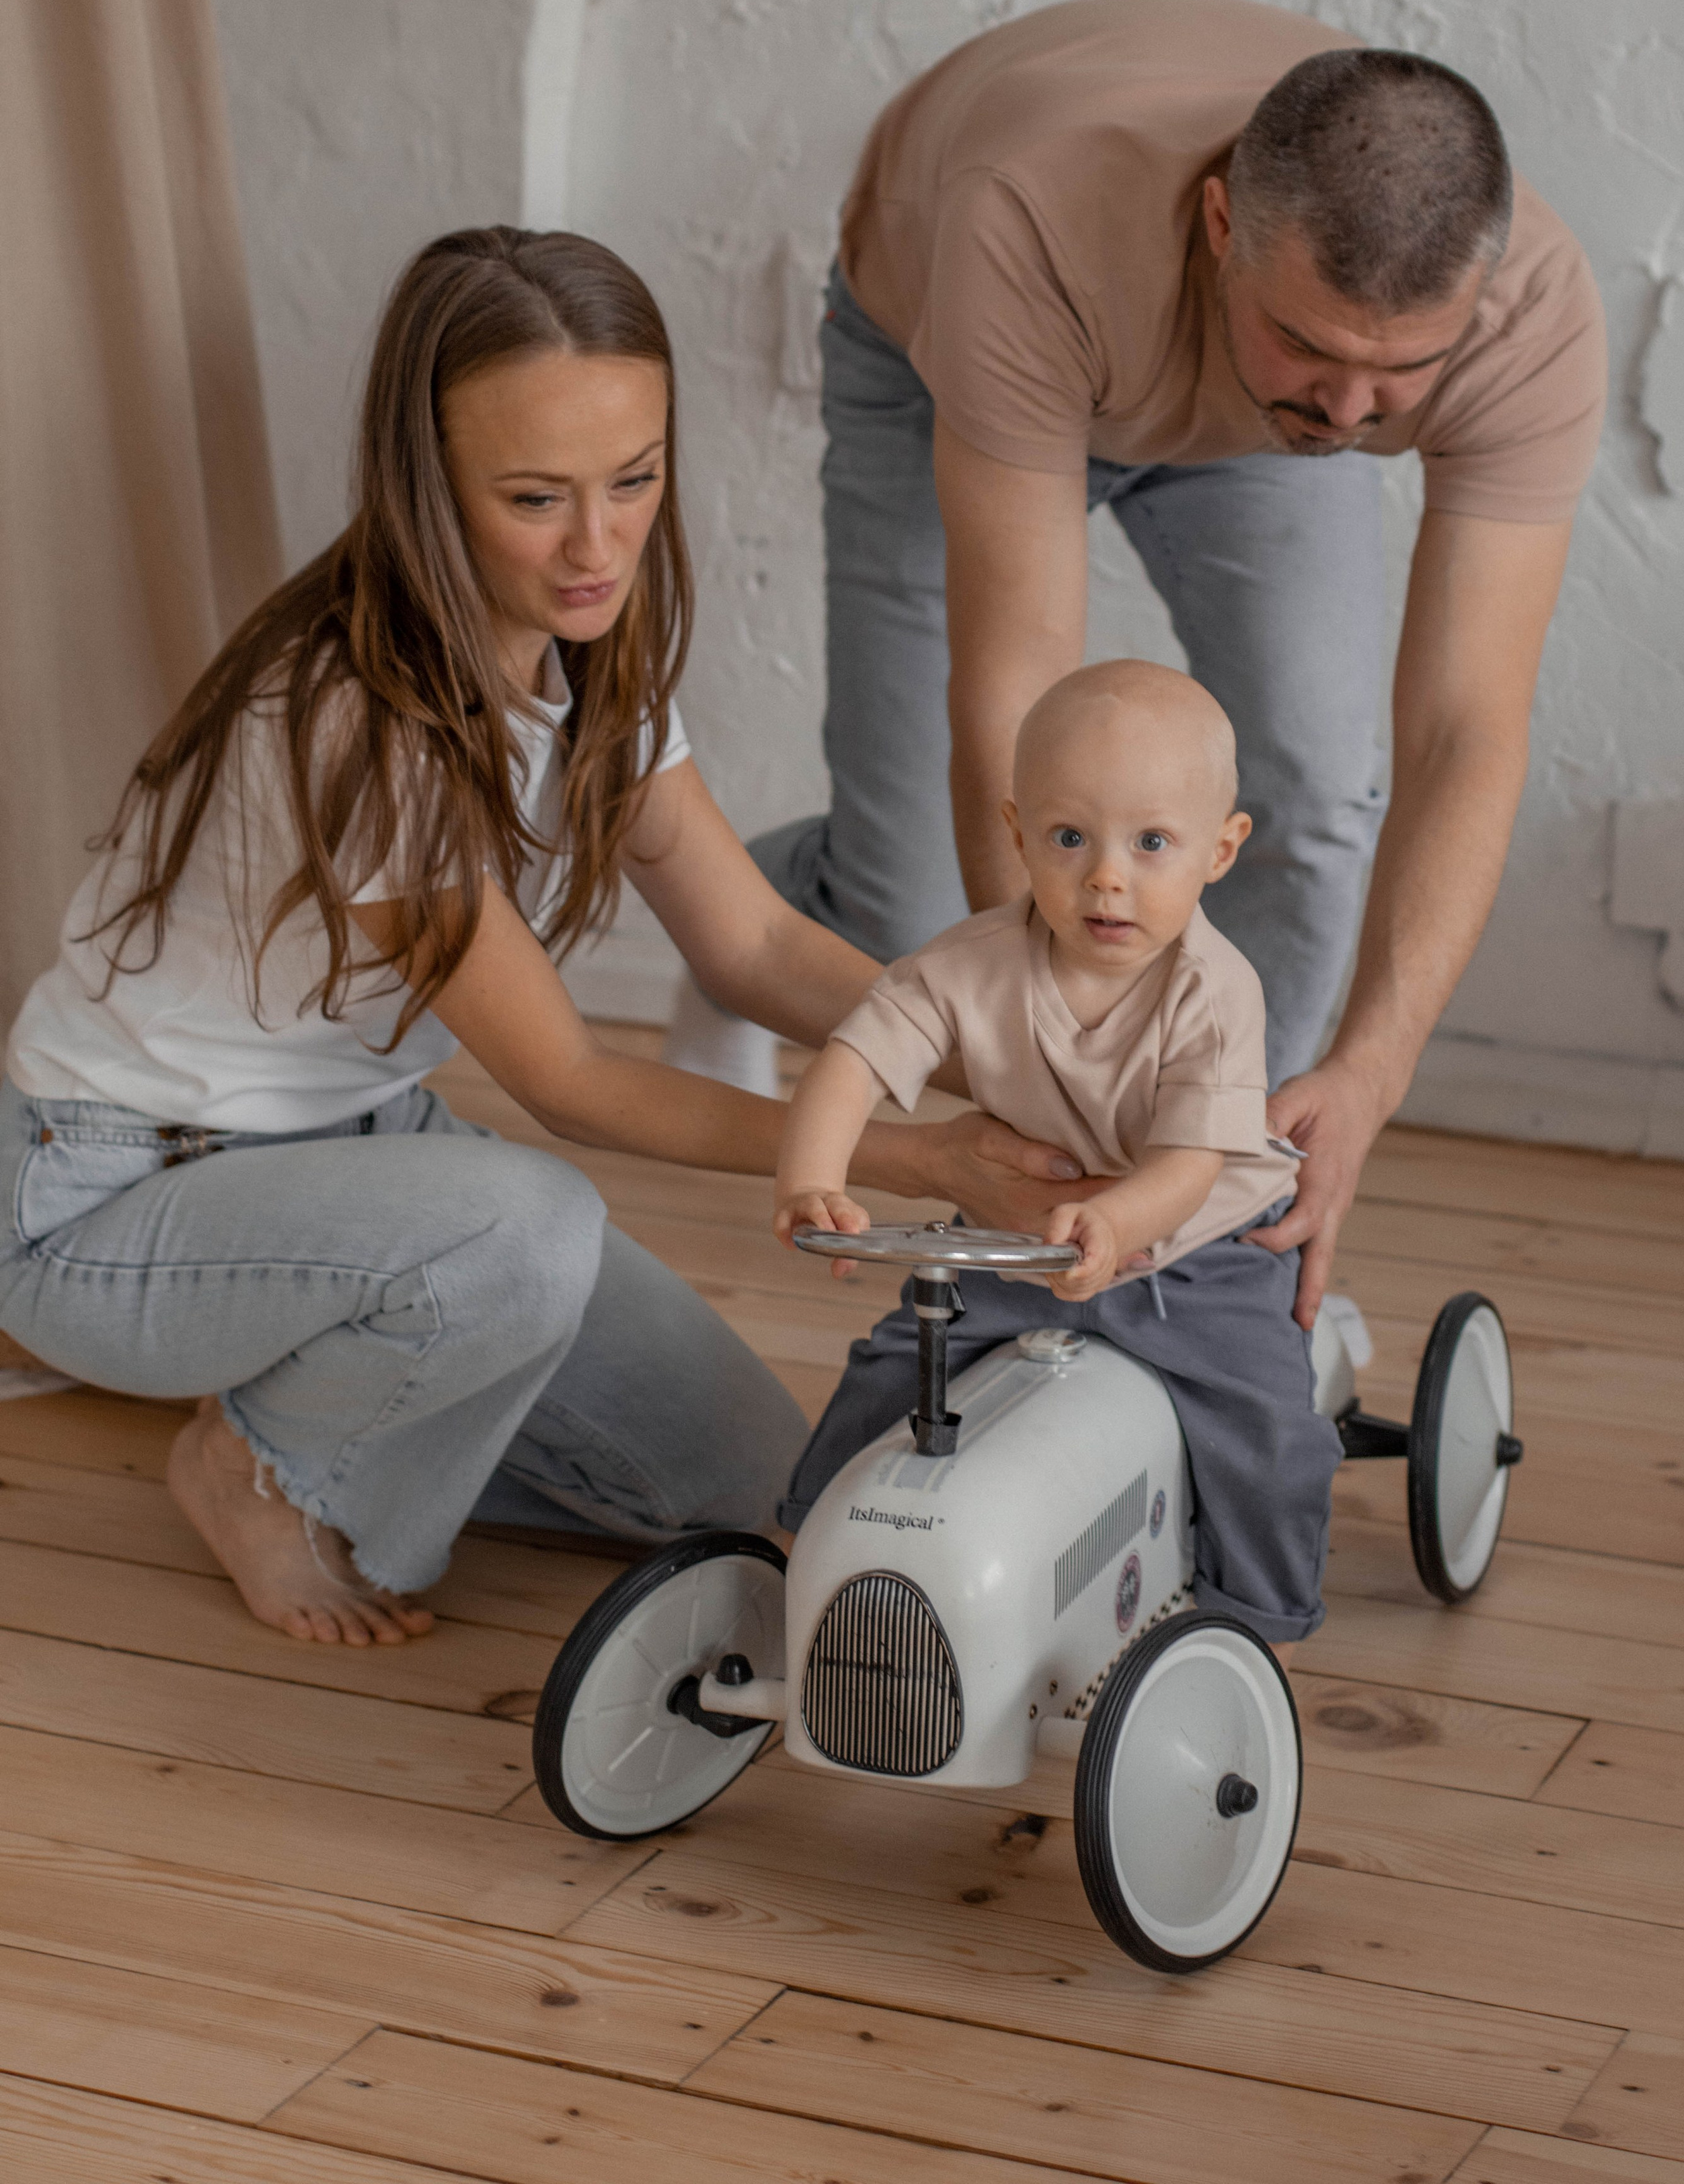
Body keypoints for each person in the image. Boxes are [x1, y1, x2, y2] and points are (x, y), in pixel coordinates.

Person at [0, 227, 1092, 1650]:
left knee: (768, 1486)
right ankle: (252, 1461)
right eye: (533, 498)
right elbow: (569, 1081)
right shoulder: (357, 720)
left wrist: (1013, 1060)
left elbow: (752, 947)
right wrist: (917, 1157)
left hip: (359, 1161)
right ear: (426, 487)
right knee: (532, 1229)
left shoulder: (588, 661)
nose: (596, 546)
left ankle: (344, 1384)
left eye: (631, 481)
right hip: (108, 1203)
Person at [689, 0, 1608, 1326]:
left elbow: (1463, 728)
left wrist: (1362, 1075)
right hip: (952, 330)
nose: (1351, 413)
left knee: (1306, 779)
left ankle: (1234, 1237)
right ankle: (745, 912)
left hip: (1234, 430)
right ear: (1224, 225)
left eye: (1400, 371)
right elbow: (1017, 693)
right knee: (905, 919)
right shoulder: (1034, 218)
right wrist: (1042, 1107)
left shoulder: (1516, 314)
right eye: (1313, 346)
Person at [773, 659, 1340, 1645]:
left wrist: (1119, 1220)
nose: (1106, 877)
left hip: (1198, 1255)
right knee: (891, 1369)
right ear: (1017, 832)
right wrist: (813, 1177)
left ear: (1222, 848)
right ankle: (807, 1557)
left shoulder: (1215, 989)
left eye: (1152, 842)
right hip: (1021, 1240)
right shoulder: (967, 965)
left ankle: (1255, 1625)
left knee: (1274, 1435)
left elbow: (1192, 1167)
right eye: (1070, 837)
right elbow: (855, 1059)